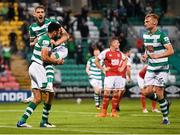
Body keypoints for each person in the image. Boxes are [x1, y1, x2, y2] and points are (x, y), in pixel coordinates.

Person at [17, 22, 64, 128]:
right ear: (55, 31)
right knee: (50, 93)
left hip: (33, 67)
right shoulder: (46, 40)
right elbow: (44, 57)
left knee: (38, 98)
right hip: (38, 68)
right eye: (59, 31)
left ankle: (22, 121)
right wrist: (57, 61)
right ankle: (44, 122)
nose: (59, 33)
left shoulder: (46, 39)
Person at [23, 5, 69, 103]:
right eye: (38, 12)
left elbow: (66, 36)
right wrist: (36, 41)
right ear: (34, 14)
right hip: (46, 49)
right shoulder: (32, 28)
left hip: (59, 49)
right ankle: (34, 94)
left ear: (45, 14)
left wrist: (56, 43)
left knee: (46, 60)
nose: (40, 14)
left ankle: (49, 86)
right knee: (36, 65)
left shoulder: (51, 23)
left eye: (42, 12)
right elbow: (31, 43)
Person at [141, 13, 174, 124]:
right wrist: (145, 55)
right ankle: (164, 102)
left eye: (147, 21)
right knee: (145, 92)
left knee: (159, 92)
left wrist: (158, 56)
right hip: (151, 68)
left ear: (155, 22)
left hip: (162, 68)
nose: (145, 23)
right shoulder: (145, 35)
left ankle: (165, 119)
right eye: (145, 21)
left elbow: (171, 51)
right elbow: (148, 49)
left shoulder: (162, 35)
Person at [95, 37, 127, 117]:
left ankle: (113, 112)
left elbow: (125, 59)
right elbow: (96, 60)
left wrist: (122, 68)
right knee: (107, 93)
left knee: (116, 93)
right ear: (112, 43)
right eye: (117, 43)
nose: (118, 44)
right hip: (109, 75)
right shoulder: (106, 52)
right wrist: (103, 68)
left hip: (118, 76)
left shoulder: (119, 53)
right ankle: (104, 112)